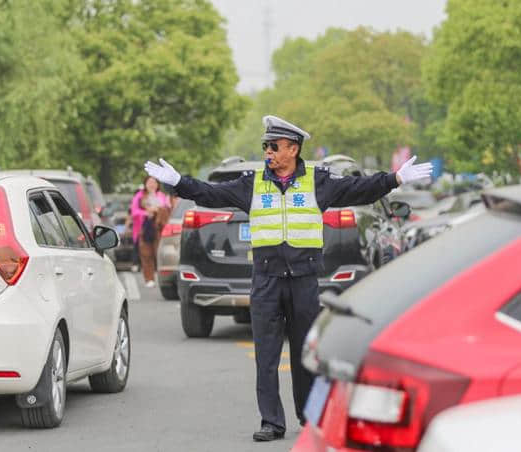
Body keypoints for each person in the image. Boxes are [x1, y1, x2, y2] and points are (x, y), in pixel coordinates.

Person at [144, 115, 432, 441]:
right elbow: (211, 194)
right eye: (266, 146)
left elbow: (359, 189)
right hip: (266, 280)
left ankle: (308, 417)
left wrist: (394, 178)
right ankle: (271, 422)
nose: (268, 151)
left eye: (274, 146)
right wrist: (178, 182)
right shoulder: (252, 183)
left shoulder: (318, 182)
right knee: (266, 354)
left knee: (303, 352)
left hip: (304, 279)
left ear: (293, 149)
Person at [130, 176, 171, 288]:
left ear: (158, 184)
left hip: (159, 229)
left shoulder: (162, 196)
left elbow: (168, 210)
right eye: (149, 182)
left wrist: (158, 210)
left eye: (154, 182)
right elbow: (134, 212)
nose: (152, 184)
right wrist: (146, 213)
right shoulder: (139, 196)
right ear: (145, 184)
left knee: (158, 253)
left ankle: (161, 278)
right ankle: (149, 278)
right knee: (146, 254)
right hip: (144, 229)